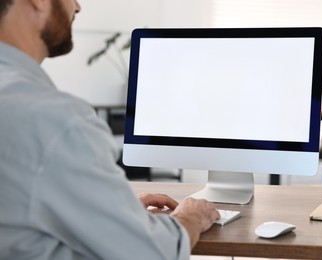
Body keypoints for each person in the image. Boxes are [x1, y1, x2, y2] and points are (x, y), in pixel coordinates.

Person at [0, 0, 220, 259]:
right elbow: (150, 253)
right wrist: (190, 216)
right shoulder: (55, 119)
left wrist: (112, 211)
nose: (78, 7)